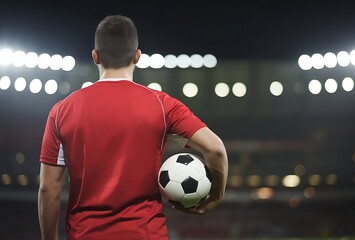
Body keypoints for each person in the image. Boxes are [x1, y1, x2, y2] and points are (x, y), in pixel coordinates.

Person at [38, 14, 228, 240]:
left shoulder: (62, 110)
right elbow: (215, 149)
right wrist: (214, 198)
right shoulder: (162, 105)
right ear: (137, 56)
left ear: (95, 56)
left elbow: (48, 187)